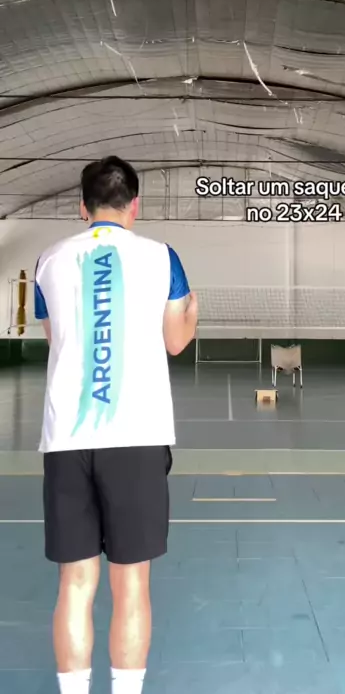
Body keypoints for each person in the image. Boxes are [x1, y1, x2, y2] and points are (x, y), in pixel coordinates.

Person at [34, 156, 198, 694]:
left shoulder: (49, 260)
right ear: (135, 206)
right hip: (136, 438)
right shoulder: (162, 257)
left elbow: (56, 339)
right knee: (131, 585)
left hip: (67, 439)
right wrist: (192, 313)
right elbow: (175, 341)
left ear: (82, 207)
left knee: (75, 584)